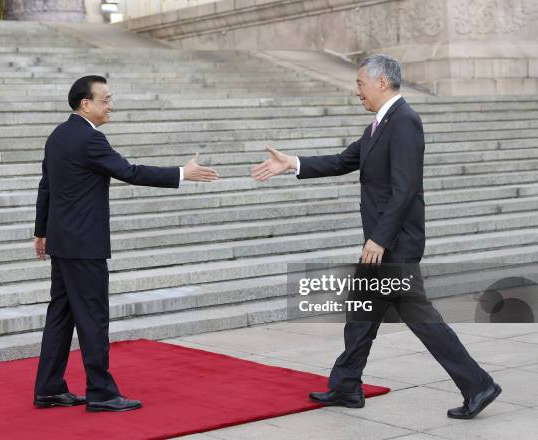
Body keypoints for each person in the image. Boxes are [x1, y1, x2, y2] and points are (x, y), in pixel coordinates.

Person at [251, 55, 501, 419]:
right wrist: (292, 163)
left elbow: (405, 189)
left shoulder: (404, 122)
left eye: (360, 84)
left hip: (394, 244)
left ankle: (478, 384)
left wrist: (380, 238)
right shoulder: (379, 125)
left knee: (421, 319)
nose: (357, 92)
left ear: (381, 82)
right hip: (383, 243)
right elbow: (341, 161)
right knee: (362, 314)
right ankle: (346, 386)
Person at [33, 75, 218, 412]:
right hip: (85, 245)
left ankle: (48, 388)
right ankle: (101, 393)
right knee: (92, 317)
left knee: (60, 316)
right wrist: (181, 172)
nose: (111, 106)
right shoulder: (91, 139)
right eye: (106, 100)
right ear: (85, 103)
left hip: (63, 242)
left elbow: (46, 185)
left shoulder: (57, 136)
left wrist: (41, 231)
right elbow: (129, 172)